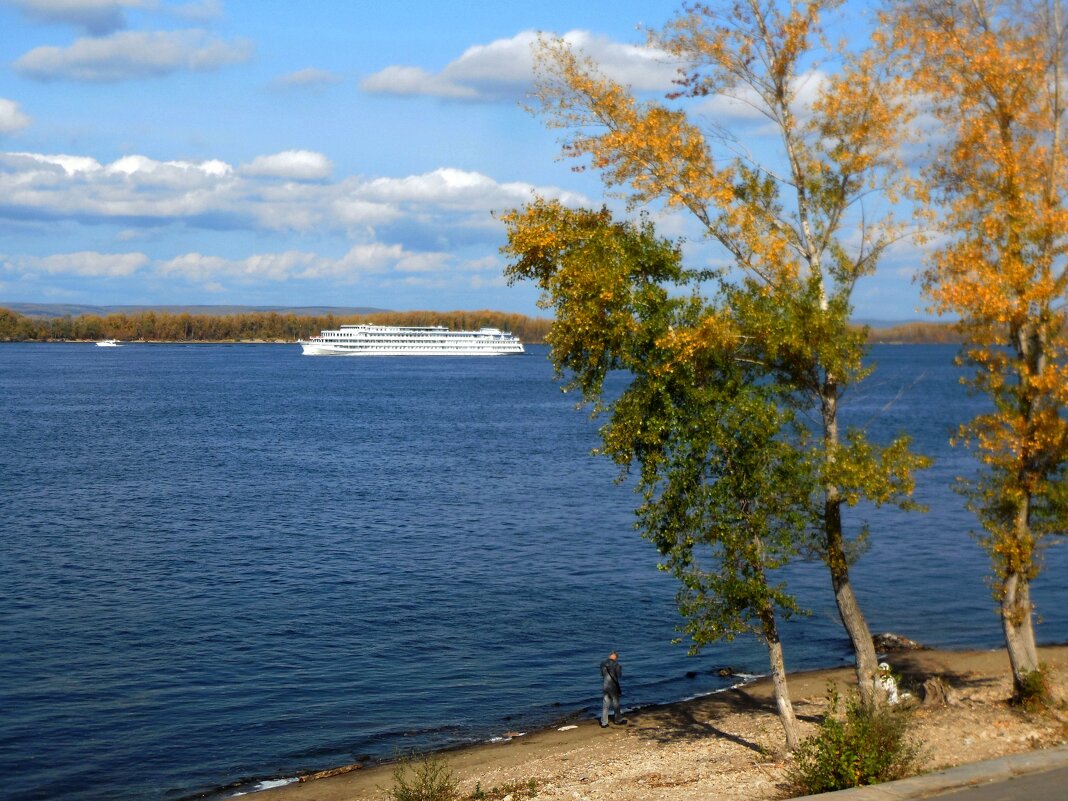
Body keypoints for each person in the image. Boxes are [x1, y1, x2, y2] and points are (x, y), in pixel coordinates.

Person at [600, 650, 625, 727]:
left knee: (605, 704)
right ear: (616, 657)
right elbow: (618, 676)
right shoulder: (616, 665)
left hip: (605, 686)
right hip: (613, 686)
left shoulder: (602, 663)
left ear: (609, 656)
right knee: (616, 704)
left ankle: (604, 723)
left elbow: (602, 674)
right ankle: (618, 720)